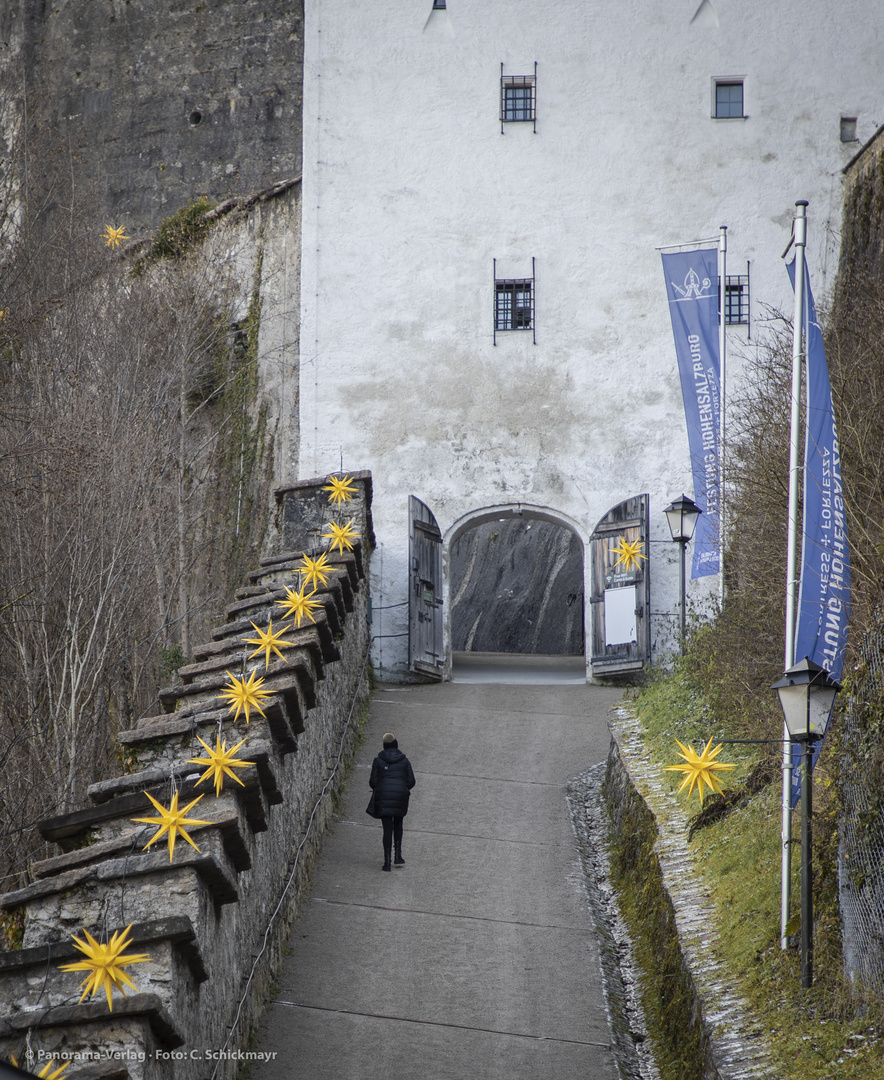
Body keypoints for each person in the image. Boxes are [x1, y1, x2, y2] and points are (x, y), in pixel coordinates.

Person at [369, 732, 416, 871]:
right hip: (400, 796)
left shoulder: (378, 760)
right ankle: (398, 856)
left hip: (383, 796)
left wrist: (381, 787)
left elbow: (373, 782)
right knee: (398, 824)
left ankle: (387, 862)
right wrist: (402, 787)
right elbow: (411, 781)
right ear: (396, 745)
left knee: (387, 828)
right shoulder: (404, 760)